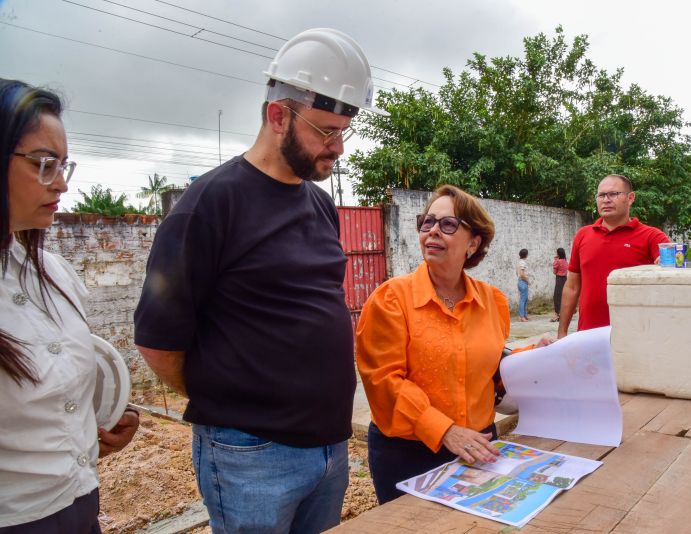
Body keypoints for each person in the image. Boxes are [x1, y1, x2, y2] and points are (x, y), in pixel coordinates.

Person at [133, 28, 386, 533]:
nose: (336, 147)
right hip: (250, 456)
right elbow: (158, 343)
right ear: (278, 116)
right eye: (324, 131)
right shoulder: (209, 205)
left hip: (331, 449)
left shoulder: (318, 202)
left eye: (343, 132)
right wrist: (231, 407)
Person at [0, 79, 139, 532]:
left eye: (63, 165)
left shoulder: (55, 274)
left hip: (78, 502)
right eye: (43, 164)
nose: (59, 183)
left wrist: (98, 426)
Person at [356, 184, 509, 504]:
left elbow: (493, 364)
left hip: (478, 447)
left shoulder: (492, 301)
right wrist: (445, 430)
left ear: (474, 242)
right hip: (409, 454)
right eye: (427, 222)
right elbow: (383, 381)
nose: (433, 231)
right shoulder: (391, 300)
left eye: (448, 224)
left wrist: (542, 357)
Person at [557, 174, 669, 337]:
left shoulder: (651, 236)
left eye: (613, 194)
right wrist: (562, 332)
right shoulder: (583, 235)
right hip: (589, 336)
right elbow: (572, 287)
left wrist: (665, 266)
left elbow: (673, 270)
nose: (606, 200)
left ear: (630, 198)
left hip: (637, 335)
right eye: (601, 195)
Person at [551, 247, 568, 322]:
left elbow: (554, 272)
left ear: (558, 253)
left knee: (557, 297)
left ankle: (557, 314)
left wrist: (555, 260)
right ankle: (562, 314)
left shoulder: (557, 261)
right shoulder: (565, 261)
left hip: (559, 279)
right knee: (563, 296)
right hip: (565, 279)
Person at [517, 248, 530, 321]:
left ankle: (524, 315)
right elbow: (522, 274)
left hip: (521, 281)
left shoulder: (520, 262)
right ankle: (522, 316)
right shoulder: (522, 263)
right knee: (523, 299)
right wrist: (527, 280)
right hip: (523, 281)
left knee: (524, 299)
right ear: (526, 255)